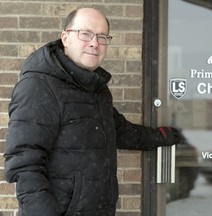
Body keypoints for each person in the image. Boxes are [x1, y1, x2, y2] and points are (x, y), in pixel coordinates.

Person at [3, 7, 180, 216]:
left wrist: (161, 137)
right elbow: (25, 165)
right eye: (85, 34)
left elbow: (120, 131)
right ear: (65, 37)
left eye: (102, 36)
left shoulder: (95, 88)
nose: (94, 42)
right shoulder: (39, 86)